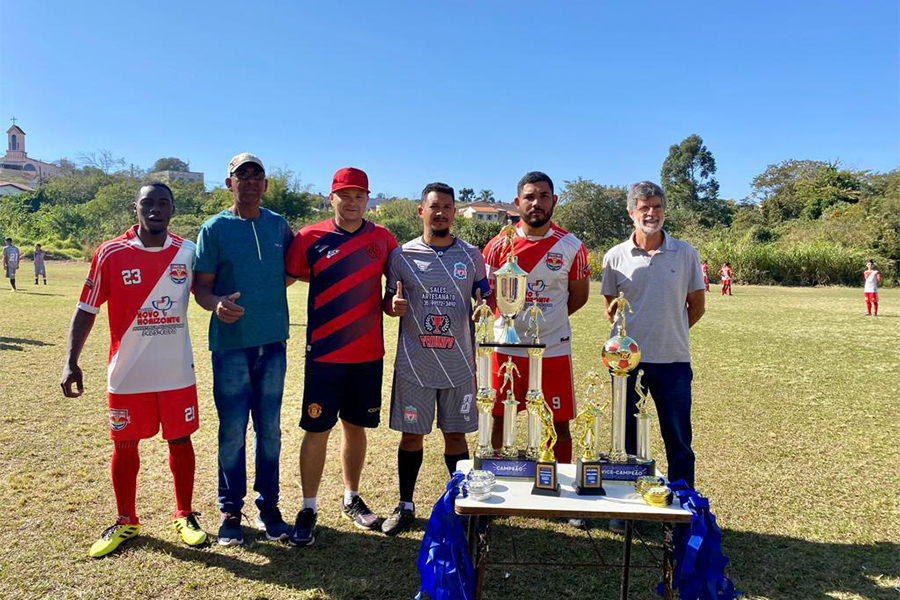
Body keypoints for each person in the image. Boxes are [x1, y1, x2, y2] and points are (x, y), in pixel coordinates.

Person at [59, 182, 207, 557]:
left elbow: (206, 293)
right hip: (127, 373)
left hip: (176, 372)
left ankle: (185, 514)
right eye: (148, 203)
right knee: (124, 445)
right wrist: (70, 361)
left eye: (163, 203)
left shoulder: (188, 252)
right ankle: (126, 520)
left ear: (172, 208)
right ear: (135, 208)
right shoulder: (110, 253)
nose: (155, 209)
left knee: (180, 440)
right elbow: (86, 308)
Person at [285, 167, 398, 546]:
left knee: (356, 426)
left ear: (368, 199)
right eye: (344, 195)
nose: (352, 202)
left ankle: (351, 497)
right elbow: (281, 280)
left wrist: (392, 305)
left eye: (359, 196)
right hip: (324, 355)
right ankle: (308, 507)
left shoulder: (383, 239)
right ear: (330, 197)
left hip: (367, 354)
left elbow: (390, 294)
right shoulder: (308, 238)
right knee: (316, 429)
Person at [194, 153, 295, 545]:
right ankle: (230, 510)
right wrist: (217, 303)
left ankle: (269, 508)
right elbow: (201, 288)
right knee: (233, 431)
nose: (250, 182)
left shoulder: (278, 226)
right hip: (231, 347)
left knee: (269, 430)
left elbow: (291, 270)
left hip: (272, 344)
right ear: (229, 183)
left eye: (257, 176)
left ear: (265, 185)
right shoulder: (214, 228)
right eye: (242, 176)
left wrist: (267, 298)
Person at [380, 182, 491, 536]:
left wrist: (484, 307)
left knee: (455, 438)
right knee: (411, 437)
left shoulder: (472, 255)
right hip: (415, 364)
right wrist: (391, 307)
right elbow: (387, 300)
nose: (440, 212)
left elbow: (484, 296)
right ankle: (406, 505)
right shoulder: (402, 256)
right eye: (434, 206)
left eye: (447, 206)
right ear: (421, 211)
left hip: (459, 365)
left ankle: (463, 503)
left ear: (454, 212)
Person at [601, 181, 705, 496]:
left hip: (673, 361)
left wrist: (666, 330)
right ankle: (628, 499)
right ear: (632, 212)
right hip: (626, 364)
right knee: (626, 437)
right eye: (644, 207)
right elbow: (611, 310)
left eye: (657, 206)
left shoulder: (685, 253)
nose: (651, 213)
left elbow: (696, 307)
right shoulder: (615, 256)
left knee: (678, 437)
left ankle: (683, 499)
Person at [482, 171, 591, 466]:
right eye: (529, 197)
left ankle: (560, 486)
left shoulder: (571, 246)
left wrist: (546, 320)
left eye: (543, 196)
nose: (536, 203)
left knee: (558, 424)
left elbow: (579, 297)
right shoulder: (497, 246)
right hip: (506, 347)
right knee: (499, 418)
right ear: (517, 202)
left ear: (554, 201)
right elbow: (487, 295)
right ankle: (498, 478)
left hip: (553, 347)